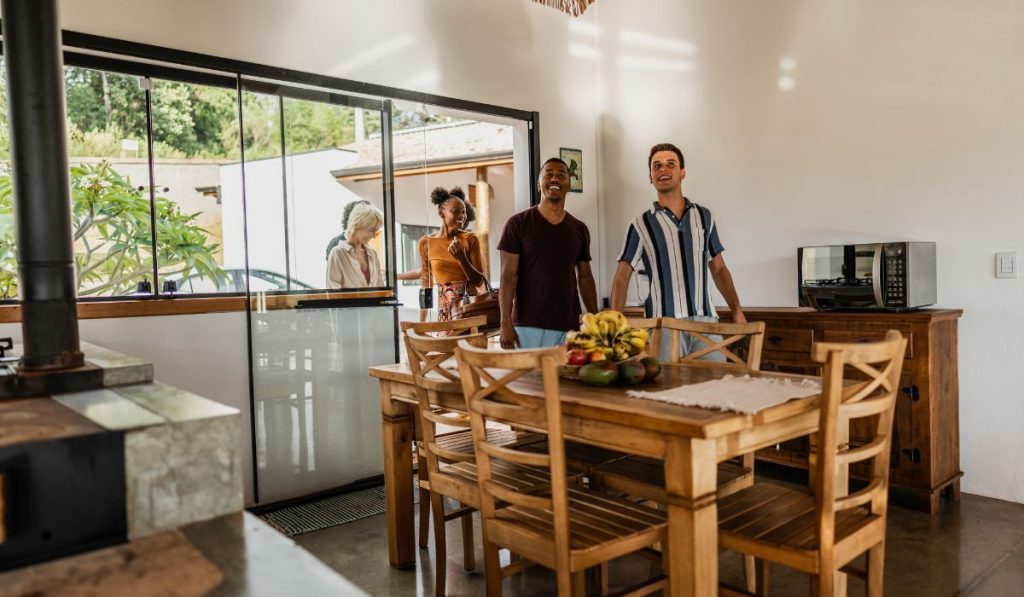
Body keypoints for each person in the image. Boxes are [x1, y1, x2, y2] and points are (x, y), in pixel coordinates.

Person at [610, 142, 746, 359]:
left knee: (717, 379)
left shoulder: (704, 217)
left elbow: (719, 269)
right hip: (663, 325)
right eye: (657, 166)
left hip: (706, 323)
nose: (663, 169)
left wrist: (737, 311)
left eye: (670, 164)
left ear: (682, 172)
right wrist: (615, 322)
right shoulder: (640, 225)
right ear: (650, 176)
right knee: (665, 381)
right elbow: (622, 276)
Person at [497, 158, 598, 349]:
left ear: (569, 185)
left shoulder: (579, 229)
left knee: (568, 370)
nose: (554, 179)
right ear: (539, 183)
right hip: (527, 325)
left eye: (561, 175)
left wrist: (595, 320)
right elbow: (507, 277)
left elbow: (585, 277)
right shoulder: (517, 224)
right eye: (548, 174)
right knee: (529, 371)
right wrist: (505, 322)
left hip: (569, 326)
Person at [418, 187, 485, 321]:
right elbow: (426, 284)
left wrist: (462, 259)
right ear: (441, 213)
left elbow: (479, 281)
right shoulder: (426, 243)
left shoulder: (470, 239)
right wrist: (422, 323)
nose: (461, 216)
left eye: (463, 212)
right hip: (445, 311)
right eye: (455, 211)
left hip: (469, 309)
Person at [326, 201, 384, 288]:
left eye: (375, 231)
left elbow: (380, 288)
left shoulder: (373, 254)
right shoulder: (337, 253)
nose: (374, 236)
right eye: (371, 230)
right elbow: (333, 291)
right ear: (356, 225)